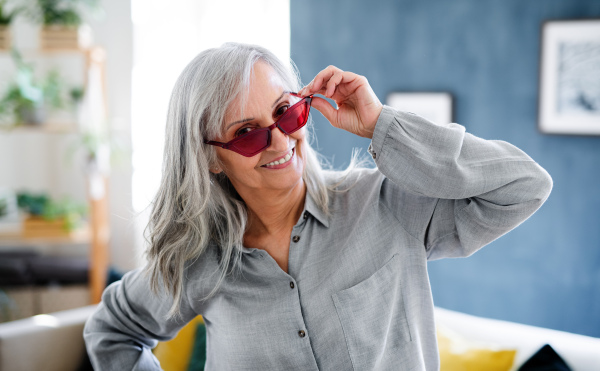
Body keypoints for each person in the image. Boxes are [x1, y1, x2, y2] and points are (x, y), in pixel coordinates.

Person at [84, 42, 552, 370]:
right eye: (247, 132)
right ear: (210, 157)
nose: (281, 139)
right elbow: (113, 330)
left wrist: (381, 125)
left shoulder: (385, 204)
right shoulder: (198, 262)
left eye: (287, 111)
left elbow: (524, 185)